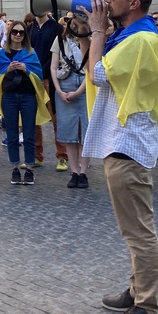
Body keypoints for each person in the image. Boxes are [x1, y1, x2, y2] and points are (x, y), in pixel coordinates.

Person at [82, 0, 158, 314]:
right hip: (122, 141)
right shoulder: (134, 35)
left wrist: (97, 32)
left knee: (139, 232)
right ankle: (138, 291)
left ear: (133, 3)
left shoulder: (141, 39)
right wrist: (96, 33)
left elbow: (97, 74)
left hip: (128, 145)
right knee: (132, 229)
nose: (108, 0)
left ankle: (150, 308)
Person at [0, 20, 49, 185]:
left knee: (29, 133)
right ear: (9, 33)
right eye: (15, 32)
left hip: (28, 96)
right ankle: (15, 168)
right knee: (11, 135)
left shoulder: (31, 53)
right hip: (9, 96)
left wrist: (26, 69)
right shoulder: (2, 54)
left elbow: (39, 75)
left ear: (25, 35)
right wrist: (7, 70)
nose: (18, 35)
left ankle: (30, 169)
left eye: (21, 32)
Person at [50, 12, 92, 189]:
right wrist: (59, 90)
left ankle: (84, 172)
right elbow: (53, 67)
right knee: (68, 132)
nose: (73, 22)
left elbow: (91, 69)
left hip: (85, 85)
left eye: (76, 18)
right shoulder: (60, 40)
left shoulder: (90, 39)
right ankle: (74, 171)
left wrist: (79, 91)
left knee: (86, 131)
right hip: (65, 85)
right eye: (69, 19)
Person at [27, 7, 65, 171]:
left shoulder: (57, 27)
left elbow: (60, 52)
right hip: (33, 78)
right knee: (33, 118)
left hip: (51, 78)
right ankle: (37, 156)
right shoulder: (29, 28)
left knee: (56, 118)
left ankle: (63, 156)